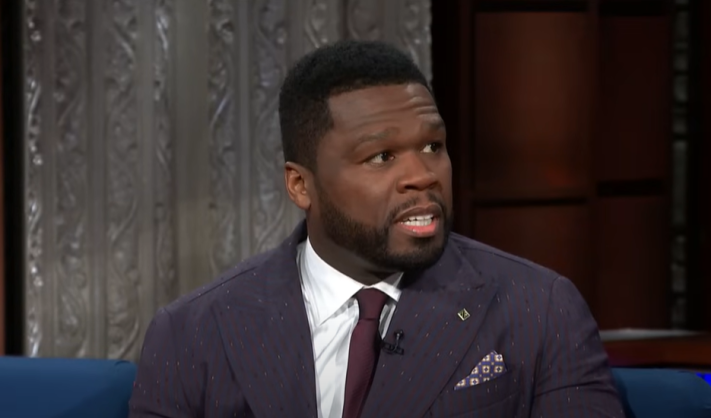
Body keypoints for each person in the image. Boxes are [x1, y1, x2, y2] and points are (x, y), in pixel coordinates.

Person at [129, 40, 625, 418]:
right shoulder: (193, 333)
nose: (422, 175)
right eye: (382, 156)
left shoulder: (539, 310)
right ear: (301, 185)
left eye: (432, 146)